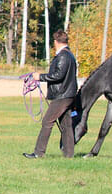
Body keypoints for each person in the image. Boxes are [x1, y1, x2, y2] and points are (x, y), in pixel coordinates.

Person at [24, 30, 78, 159]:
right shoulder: (70, 55)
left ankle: (38, 153)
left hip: (62, 95)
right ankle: (69, 155)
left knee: (47, 122)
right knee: (66, 124)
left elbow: (58, 75)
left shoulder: (63, 56)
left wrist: (40, 77)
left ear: (56, 42)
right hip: (68, 94)